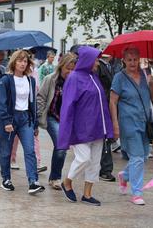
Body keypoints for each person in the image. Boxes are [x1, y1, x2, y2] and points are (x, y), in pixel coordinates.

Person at [58, 46, 113, 206]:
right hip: (80, 129)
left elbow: (102, 104)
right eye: (96, 59)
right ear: (88, 59)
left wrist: (107, 127)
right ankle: (67, 181)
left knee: (95, 162)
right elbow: (68, 105)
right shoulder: (74, 77)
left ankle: (87, 194)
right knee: (84, 158)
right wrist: (66, 130)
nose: (98, 62)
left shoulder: (94, 77)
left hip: (97, 128)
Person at [110, 46, 153, 205]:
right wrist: (115, 124)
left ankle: (125, 176)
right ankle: (136, 193)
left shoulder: (145, 74)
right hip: (128, 122)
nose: (132, 63)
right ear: (124, 60)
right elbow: (113, 101)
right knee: (136, 157)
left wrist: (151, 85)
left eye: (135, 59)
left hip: (145, 121)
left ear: (139, 59)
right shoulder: (119, 77)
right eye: (129, 60)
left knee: (142, 157)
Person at [0, 50, 45, 195]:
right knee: (6, 151)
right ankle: (6, 179)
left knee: (30, 150)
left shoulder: (31, 80)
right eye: (20, 61)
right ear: (14, 62)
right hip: (10, 118)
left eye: (25, 61)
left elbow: (33, 102)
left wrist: (35, 123)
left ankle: (33, 181)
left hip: (25, 119)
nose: (23, 63)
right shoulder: (6, 80)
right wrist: (6, 121)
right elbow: (0, 103)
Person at [37, 53, 76, 190]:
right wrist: (39, 116)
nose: (70, 72)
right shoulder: (50, 79)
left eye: (73, 69)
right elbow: (41, 97)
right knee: (61, 144)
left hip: (66, 119)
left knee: (61, 148)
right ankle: (55, 178)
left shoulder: (75, 82)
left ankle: (54, 176)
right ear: (61, 66)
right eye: (67, 69)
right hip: (52, 116)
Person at [96, 54, 116, 182]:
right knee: (104, 139)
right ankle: (105, 170)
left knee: (106, 139)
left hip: (106, 104)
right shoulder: (100, 67)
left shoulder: (109, 66)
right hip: (102, 105)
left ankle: (105, 169)